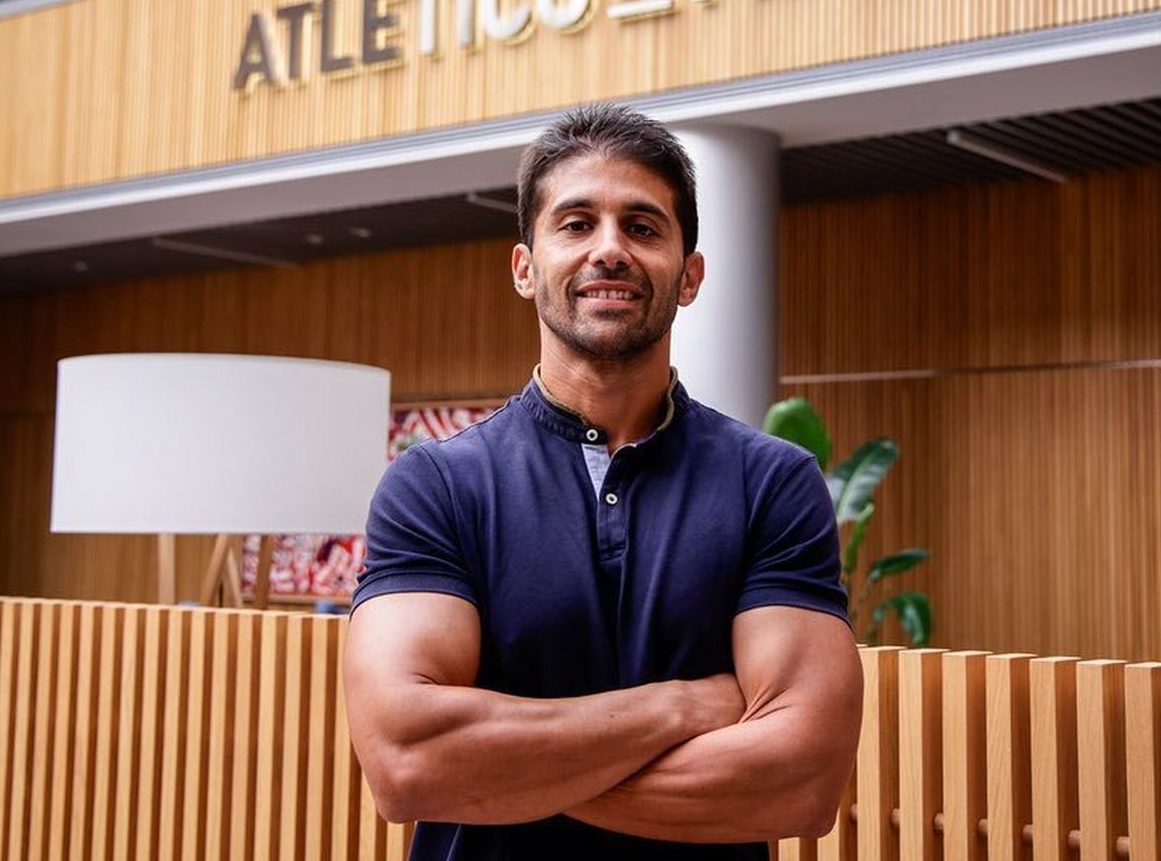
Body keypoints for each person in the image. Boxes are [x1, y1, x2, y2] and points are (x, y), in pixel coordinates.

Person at [343, 103, 863, 859]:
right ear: (526, 268)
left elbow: (799, 781)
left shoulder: (772, 483)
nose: (610, 249)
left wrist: (497, 770)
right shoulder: (435, 485)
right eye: (577, 223)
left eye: (643, 227)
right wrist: (681, 706)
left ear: (689, 276)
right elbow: (408, 764)